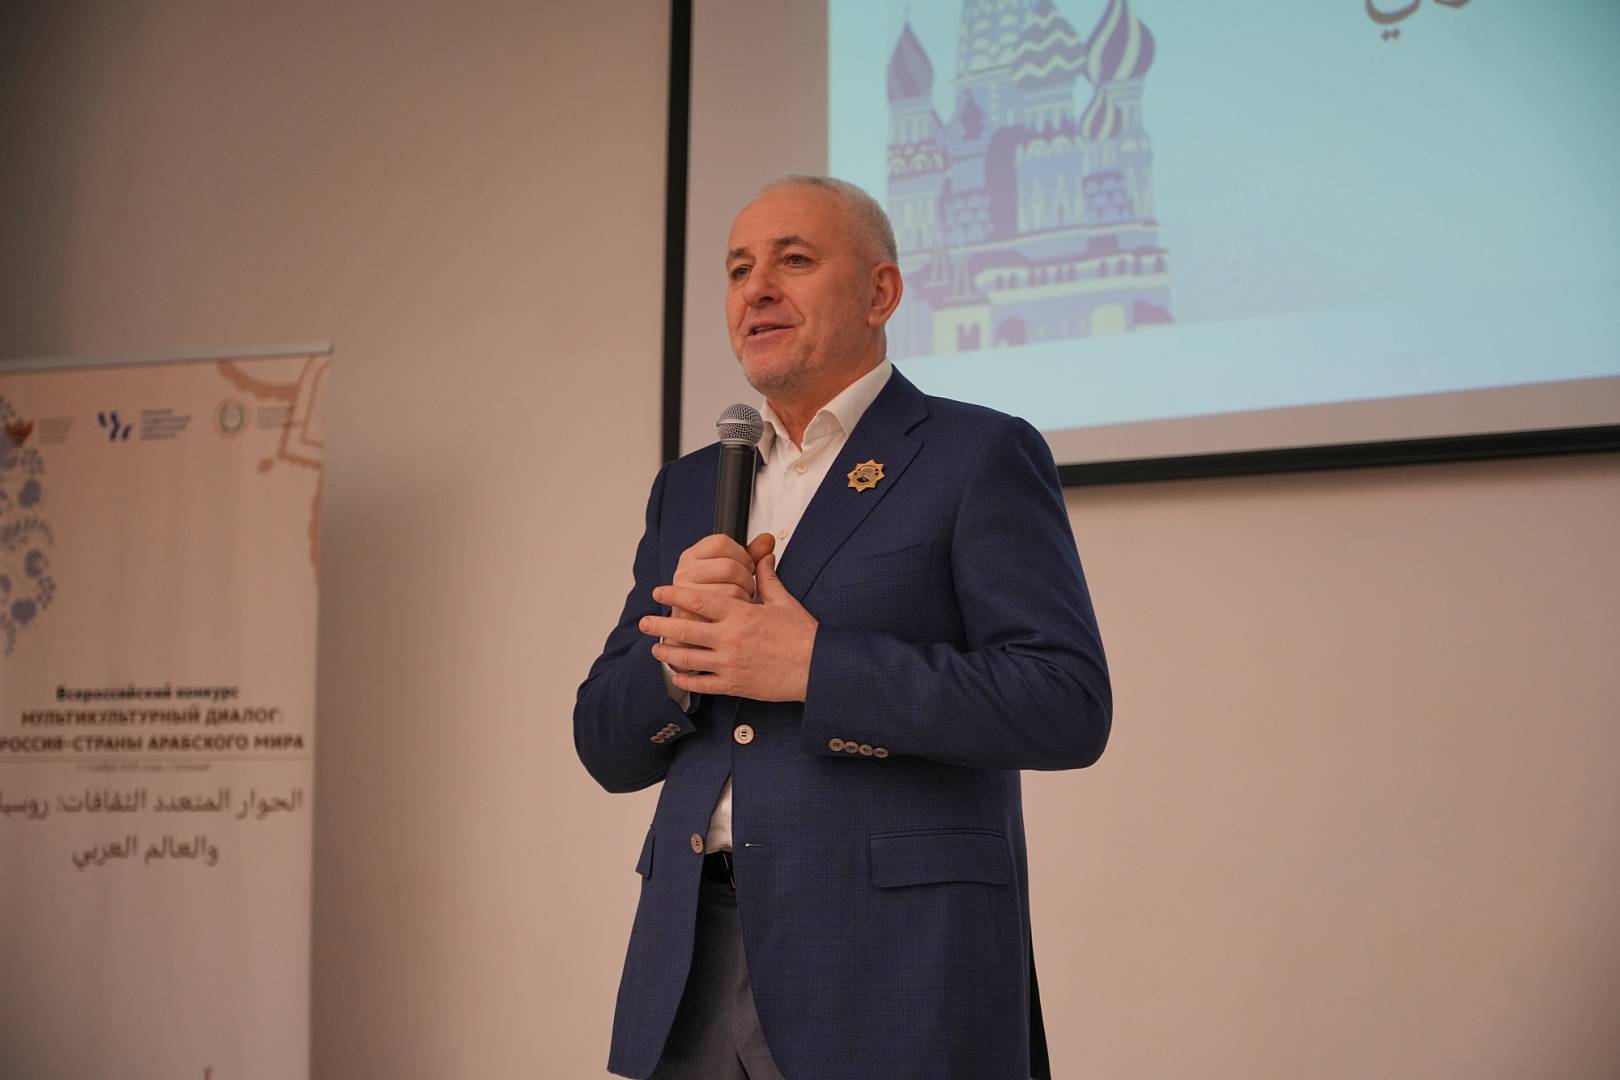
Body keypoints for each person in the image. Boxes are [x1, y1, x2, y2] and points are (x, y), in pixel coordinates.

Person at [574, 175, 1110, 1080]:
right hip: (693, 954)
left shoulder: (974, 454)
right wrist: (675, 659)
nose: (757, 288)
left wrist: (813, 665)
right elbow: (604, 745)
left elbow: (1065, 703)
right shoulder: (690, 486)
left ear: (879, 292)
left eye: (794, 260)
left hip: (895, 962)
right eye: (738, 269)